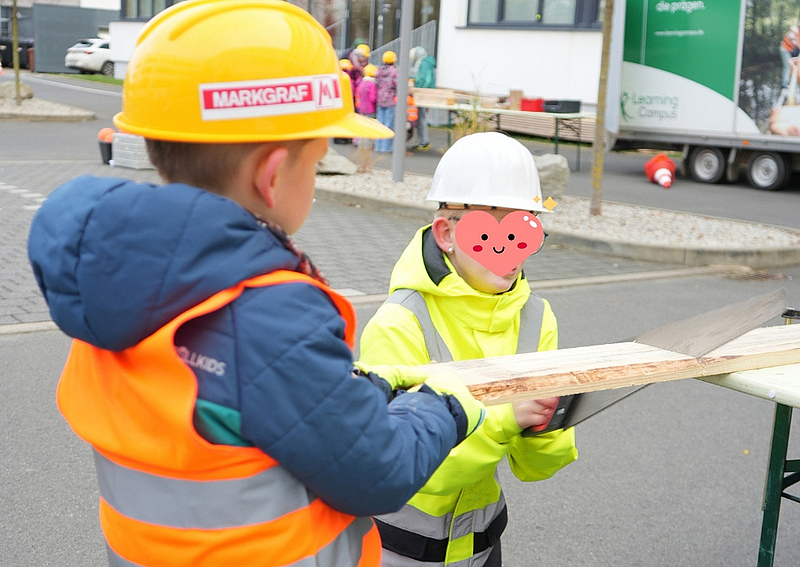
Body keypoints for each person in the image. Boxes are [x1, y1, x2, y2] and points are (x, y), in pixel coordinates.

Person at [26, 2, 484, 566]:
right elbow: (378, 472)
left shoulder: (124, 286)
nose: (315, 177)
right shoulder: (269, 313)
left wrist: (365, 389)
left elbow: (247, 404)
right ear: (271, 175)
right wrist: (445, 406)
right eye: (316, 160)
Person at [358, 132, 578, 567]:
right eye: (490, 232)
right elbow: (402, 466)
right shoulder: (399, 322)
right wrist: (505, 419)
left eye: (522, 231)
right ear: (446, 233)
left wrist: (550, 422)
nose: (509, 251)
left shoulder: (536, 317)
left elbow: (536, 468)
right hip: (398, 552)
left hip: (483, 547)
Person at [409, 46, 436, 151]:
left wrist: (416, 87)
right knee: (422, 117)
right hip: (427, 93)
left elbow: (423, 78)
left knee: (422, 117)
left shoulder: (423, 63)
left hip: (423, 94)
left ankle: (423, 142)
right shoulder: (428, 62)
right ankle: (423, 141)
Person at [376, 50, 399, 153]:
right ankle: (387, 148)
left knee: (379, 124)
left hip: (380, 99)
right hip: (390, 100)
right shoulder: (395, 71)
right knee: (389, 125)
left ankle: (378, 146)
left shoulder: (380, 70)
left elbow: (376, 83)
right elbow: (397, 84)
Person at [781, 24, 800, 89]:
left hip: (789, 51)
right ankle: (784, 84)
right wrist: (798, 46)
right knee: (787, 66)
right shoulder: (793, 32)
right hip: (784, 50)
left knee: (790, 65)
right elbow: (792, 40)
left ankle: (788, 81)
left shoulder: (797, 33)